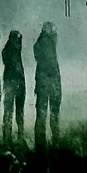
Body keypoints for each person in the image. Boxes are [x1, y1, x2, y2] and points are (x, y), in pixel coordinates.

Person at [33, 22, 61, 151]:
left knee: (42, 114)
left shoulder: (42, 42)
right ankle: (52, 142)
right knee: (51, 113)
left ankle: (41, 144)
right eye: (54, 32)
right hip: (49, 83)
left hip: (43, 83)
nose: (56, 35)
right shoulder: (46, 43)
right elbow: (51, 65)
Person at [1, 30, 24, 143]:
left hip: (19, 84)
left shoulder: (15, 50)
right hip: (11, 83)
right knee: (9, 112)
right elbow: (8, 62)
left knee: (19, 112)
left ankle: (19, 137)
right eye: (17, 39)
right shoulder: (8, 51)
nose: (18, 42)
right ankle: (7, 138)